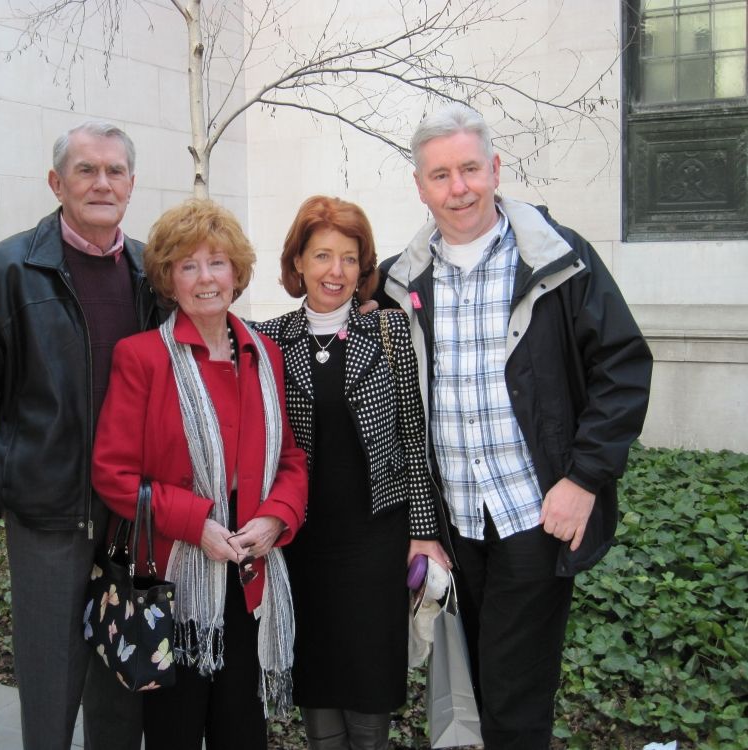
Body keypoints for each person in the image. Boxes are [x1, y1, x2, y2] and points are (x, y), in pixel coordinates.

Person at [374, 103, 653, 749]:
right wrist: (418, 525)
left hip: (533, 511)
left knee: (514, 696)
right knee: (466, 687)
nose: (458, 187)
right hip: (453, 524)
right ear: (420, 187)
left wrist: (583, 478)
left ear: (495, 169)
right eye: (440, 175)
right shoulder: (400, 279)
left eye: (470, 168)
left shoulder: (559, 260)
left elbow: (622, 365)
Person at [0, 121, 162, 750]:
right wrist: (9, 488)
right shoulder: (8, 271)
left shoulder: (152, 272)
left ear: (132, 185)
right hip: (48, 524)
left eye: (115, 171)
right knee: (50, 692)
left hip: (129, 522)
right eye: (86, 170)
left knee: (122, 691)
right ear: (56, 182)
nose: (102, 183)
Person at [91, 198, 308, 750]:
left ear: (237, 272)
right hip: (176, 582)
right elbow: (113, 474)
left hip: (251, 566)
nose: (205, 278)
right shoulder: (141, 357)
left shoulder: (267, 355)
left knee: (242, 731)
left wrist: (276, 520)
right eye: (188, 266)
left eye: (216, 262)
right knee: (175, 733)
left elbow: (289, 461)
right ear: (169, 279)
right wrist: (197, 525)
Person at [254, 196, 451, 750]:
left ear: (363, 267)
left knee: (368, 688)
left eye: (348, 258)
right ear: (298, 264)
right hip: (303, 545)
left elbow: (414, 440)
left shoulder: (389, 334)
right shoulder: (268, 339)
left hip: (375, 544)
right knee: (317, 681)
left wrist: (424, 532)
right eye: (321, 256)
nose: (334, 272)